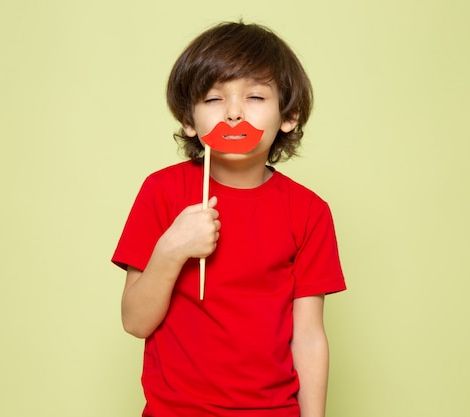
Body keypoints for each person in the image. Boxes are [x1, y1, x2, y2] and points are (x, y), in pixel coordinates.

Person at [112, 21, 346, 417]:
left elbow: (308, 337)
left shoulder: (309, 212)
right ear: (189, 121)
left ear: (288, 116)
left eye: (255, 96)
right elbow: (135, 321)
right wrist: (172, 249)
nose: (234, 113)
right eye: (213, 98)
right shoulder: (162, 192)